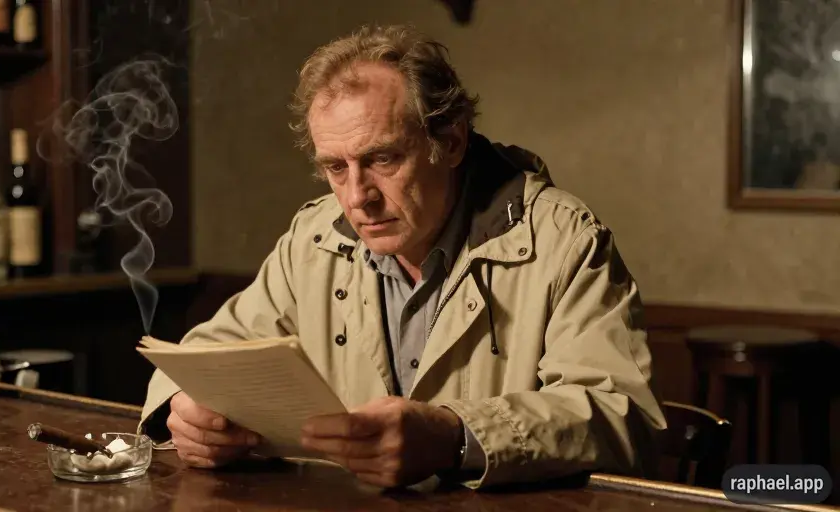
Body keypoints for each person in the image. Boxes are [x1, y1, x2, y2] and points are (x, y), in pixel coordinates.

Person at [138, 24, 666, 490]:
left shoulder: (564, 239)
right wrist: (184, 408)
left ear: (451, 142)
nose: (356, 197)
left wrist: (455, 436)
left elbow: (622, 414)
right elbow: (209, 354)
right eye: (335, 167)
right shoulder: (314, 237)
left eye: (383, 158)